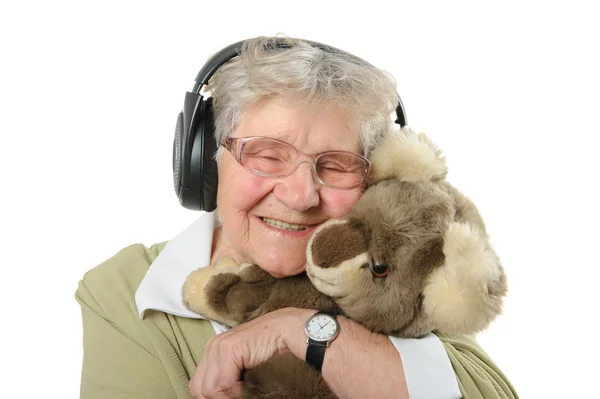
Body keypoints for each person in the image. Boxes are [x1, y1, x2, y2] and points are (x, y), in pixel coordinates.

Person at [76, 36, 518, 399]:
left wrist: (303, 331)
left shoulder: (395, 272)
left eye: (337, 164)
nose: (301, 195)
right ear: (207, 162)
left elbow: (485, 391)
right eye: (267, 155)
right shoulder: (122, 290)